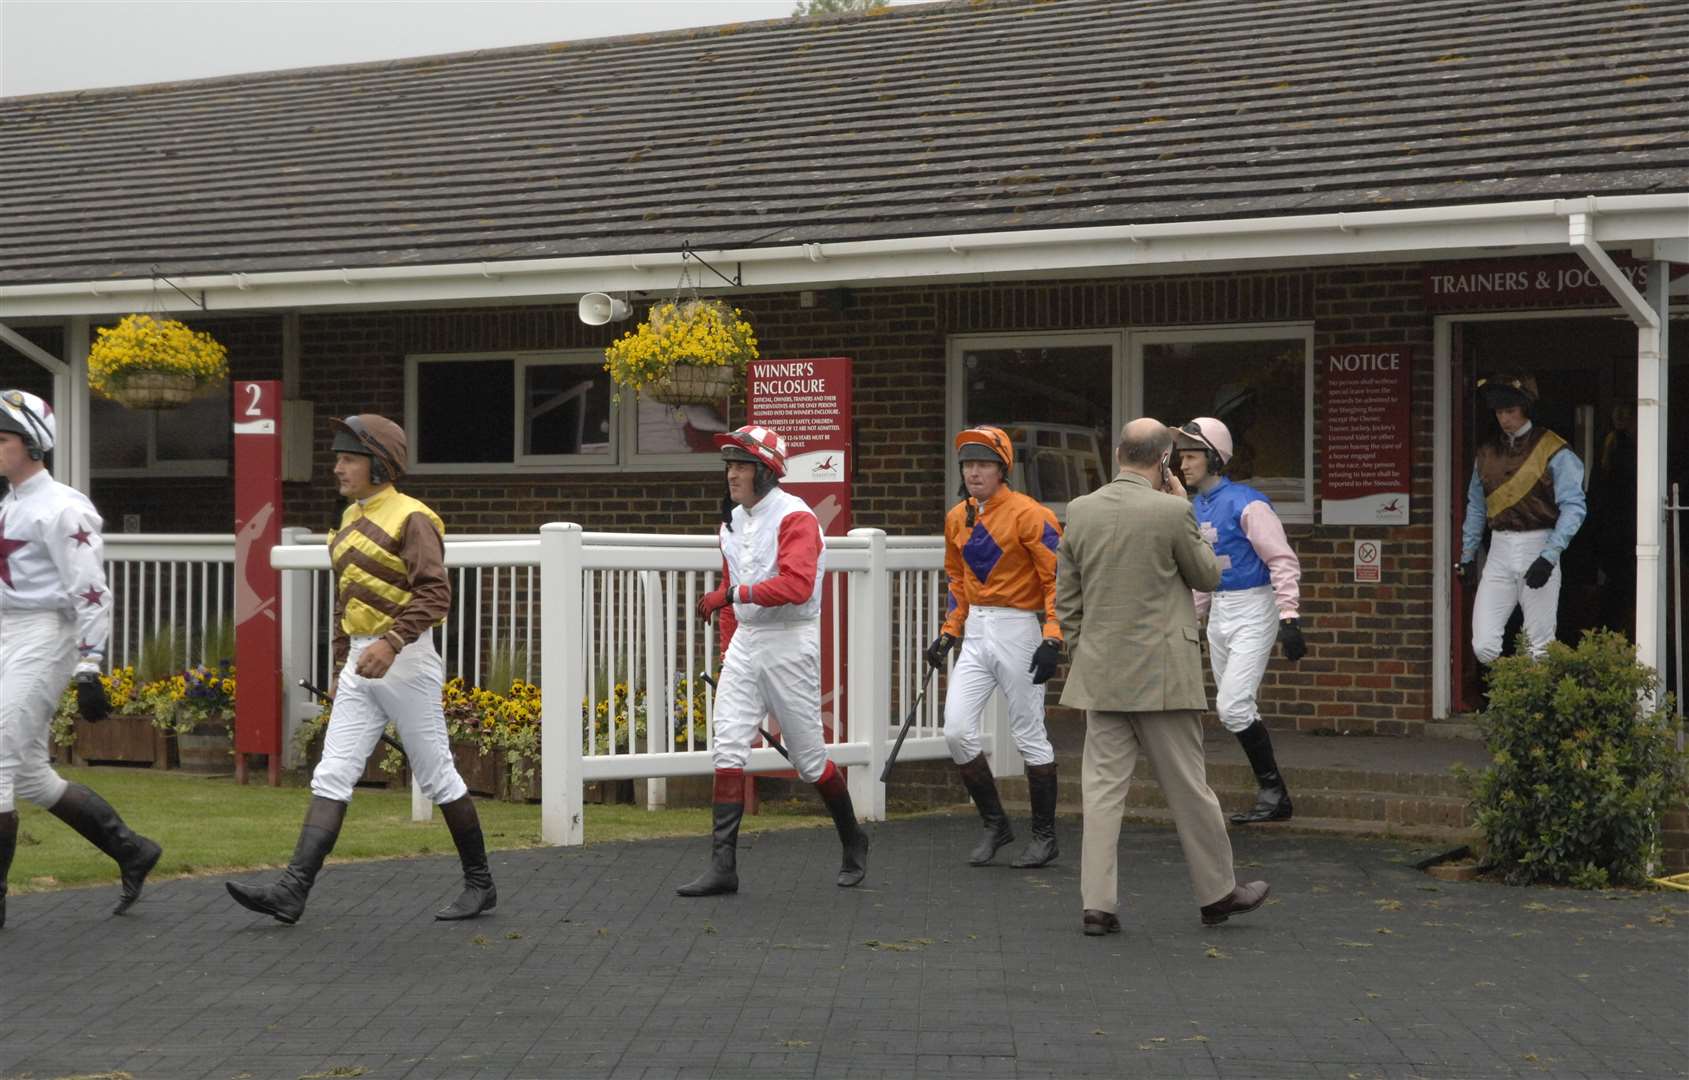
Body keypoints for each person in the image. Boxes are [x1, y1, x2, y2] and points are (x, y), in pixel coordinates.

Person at [226, 414, 495, 924]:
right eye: (338, 458)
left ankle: (481, 884)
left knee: (437, 775)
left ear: (378, 463)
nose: (337, 467)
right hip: (361, 661)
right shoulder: (348, 520)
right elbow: (345, 600)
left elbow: (436, 594)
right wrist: (339, 665)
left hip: (406, 659)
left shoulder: (412, 517)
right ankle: (292, 890)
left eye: (348, 458)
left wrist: (391, 643)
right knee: (332, 773)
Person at [1056, 418, 1269, 936]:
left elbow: (1067, 599)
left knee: (1102, 794)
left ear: (1117, 455)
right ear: (1163, 461)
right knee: (1190, 790)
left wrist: (1089, 652)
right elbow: (1207, 575)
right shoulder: (1175, 509)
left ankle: (1097, 905)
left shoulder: (1079, 511)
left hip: (1103, 677)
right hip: (1163, 677)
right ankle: (1217, 892)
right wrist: (1186, 507)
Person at [682, 423, 868, 896]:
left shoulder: (796, 518)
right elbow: (731, 597)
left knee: (808, 760)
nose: (732, 474)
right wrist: (728, 655)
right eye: (729, 465)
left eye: (741, 465)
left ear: (767, 471)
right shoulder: (733, 522)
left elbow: (797, 585)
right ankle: (723, 867)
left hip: (790, 640)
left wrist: (733, 594)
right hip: (748, 640)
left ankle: (853, 838)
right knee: (726, 748)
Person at [0, 389, 162, 928]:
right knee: (30, 778)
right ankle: (132, 850)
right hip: (8, 634)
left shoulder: (64, 507)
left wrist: (89, 666)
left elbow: (92, 591)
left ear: (32, 445)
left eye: (1, 439)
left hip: (48, 635)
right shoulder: (11, 503)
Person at [924, 425, 1064, 868]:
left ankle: (1044, 836)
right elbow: (956, 580)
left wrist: (1053, 636)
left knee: (1028, 734)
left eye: (983, 464)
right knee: (956, 731)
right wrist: (950, 630)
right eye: (967, 465)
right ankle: (996, 823)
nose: (973, 472)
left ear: (1003, 469)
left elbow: (1057, 579)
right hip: (977, 634)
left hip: (1019, 629)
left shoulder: (1031, 514)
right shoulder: (956, 516)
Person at [1173, 416, 1304, 824]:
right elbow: (1201, 570)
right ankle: (1276, 797)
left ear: (1214, 458)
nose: (1183, 465)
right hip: (1220, 609)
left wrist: (1289, 615)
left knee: (1231, 708)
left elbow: (1281, 559)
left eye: (1192, 456)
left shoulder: (1248, 502)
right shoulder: (1194, 506)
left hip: (1254, 606)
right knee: (1236, 706)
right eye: (1181, 456)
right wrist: (1190, 620)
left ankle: (1272, 791)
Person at [1457, 375, 1587, 663]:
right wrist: (1467, 556)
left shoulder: (1553, 449)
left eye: (1510, 411)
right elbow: (1476, 507)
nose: (1504, 418)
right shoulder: (1487, 453)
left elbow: (1575, 507)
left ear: (1525, 409)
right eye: (1499, 412)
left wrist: (1549, 555)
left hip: (1538, 544)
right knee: (1483, 645)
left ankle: (1531, 706)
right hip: (1499, 550)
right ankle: (1509, 696)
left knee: (1539, 647)